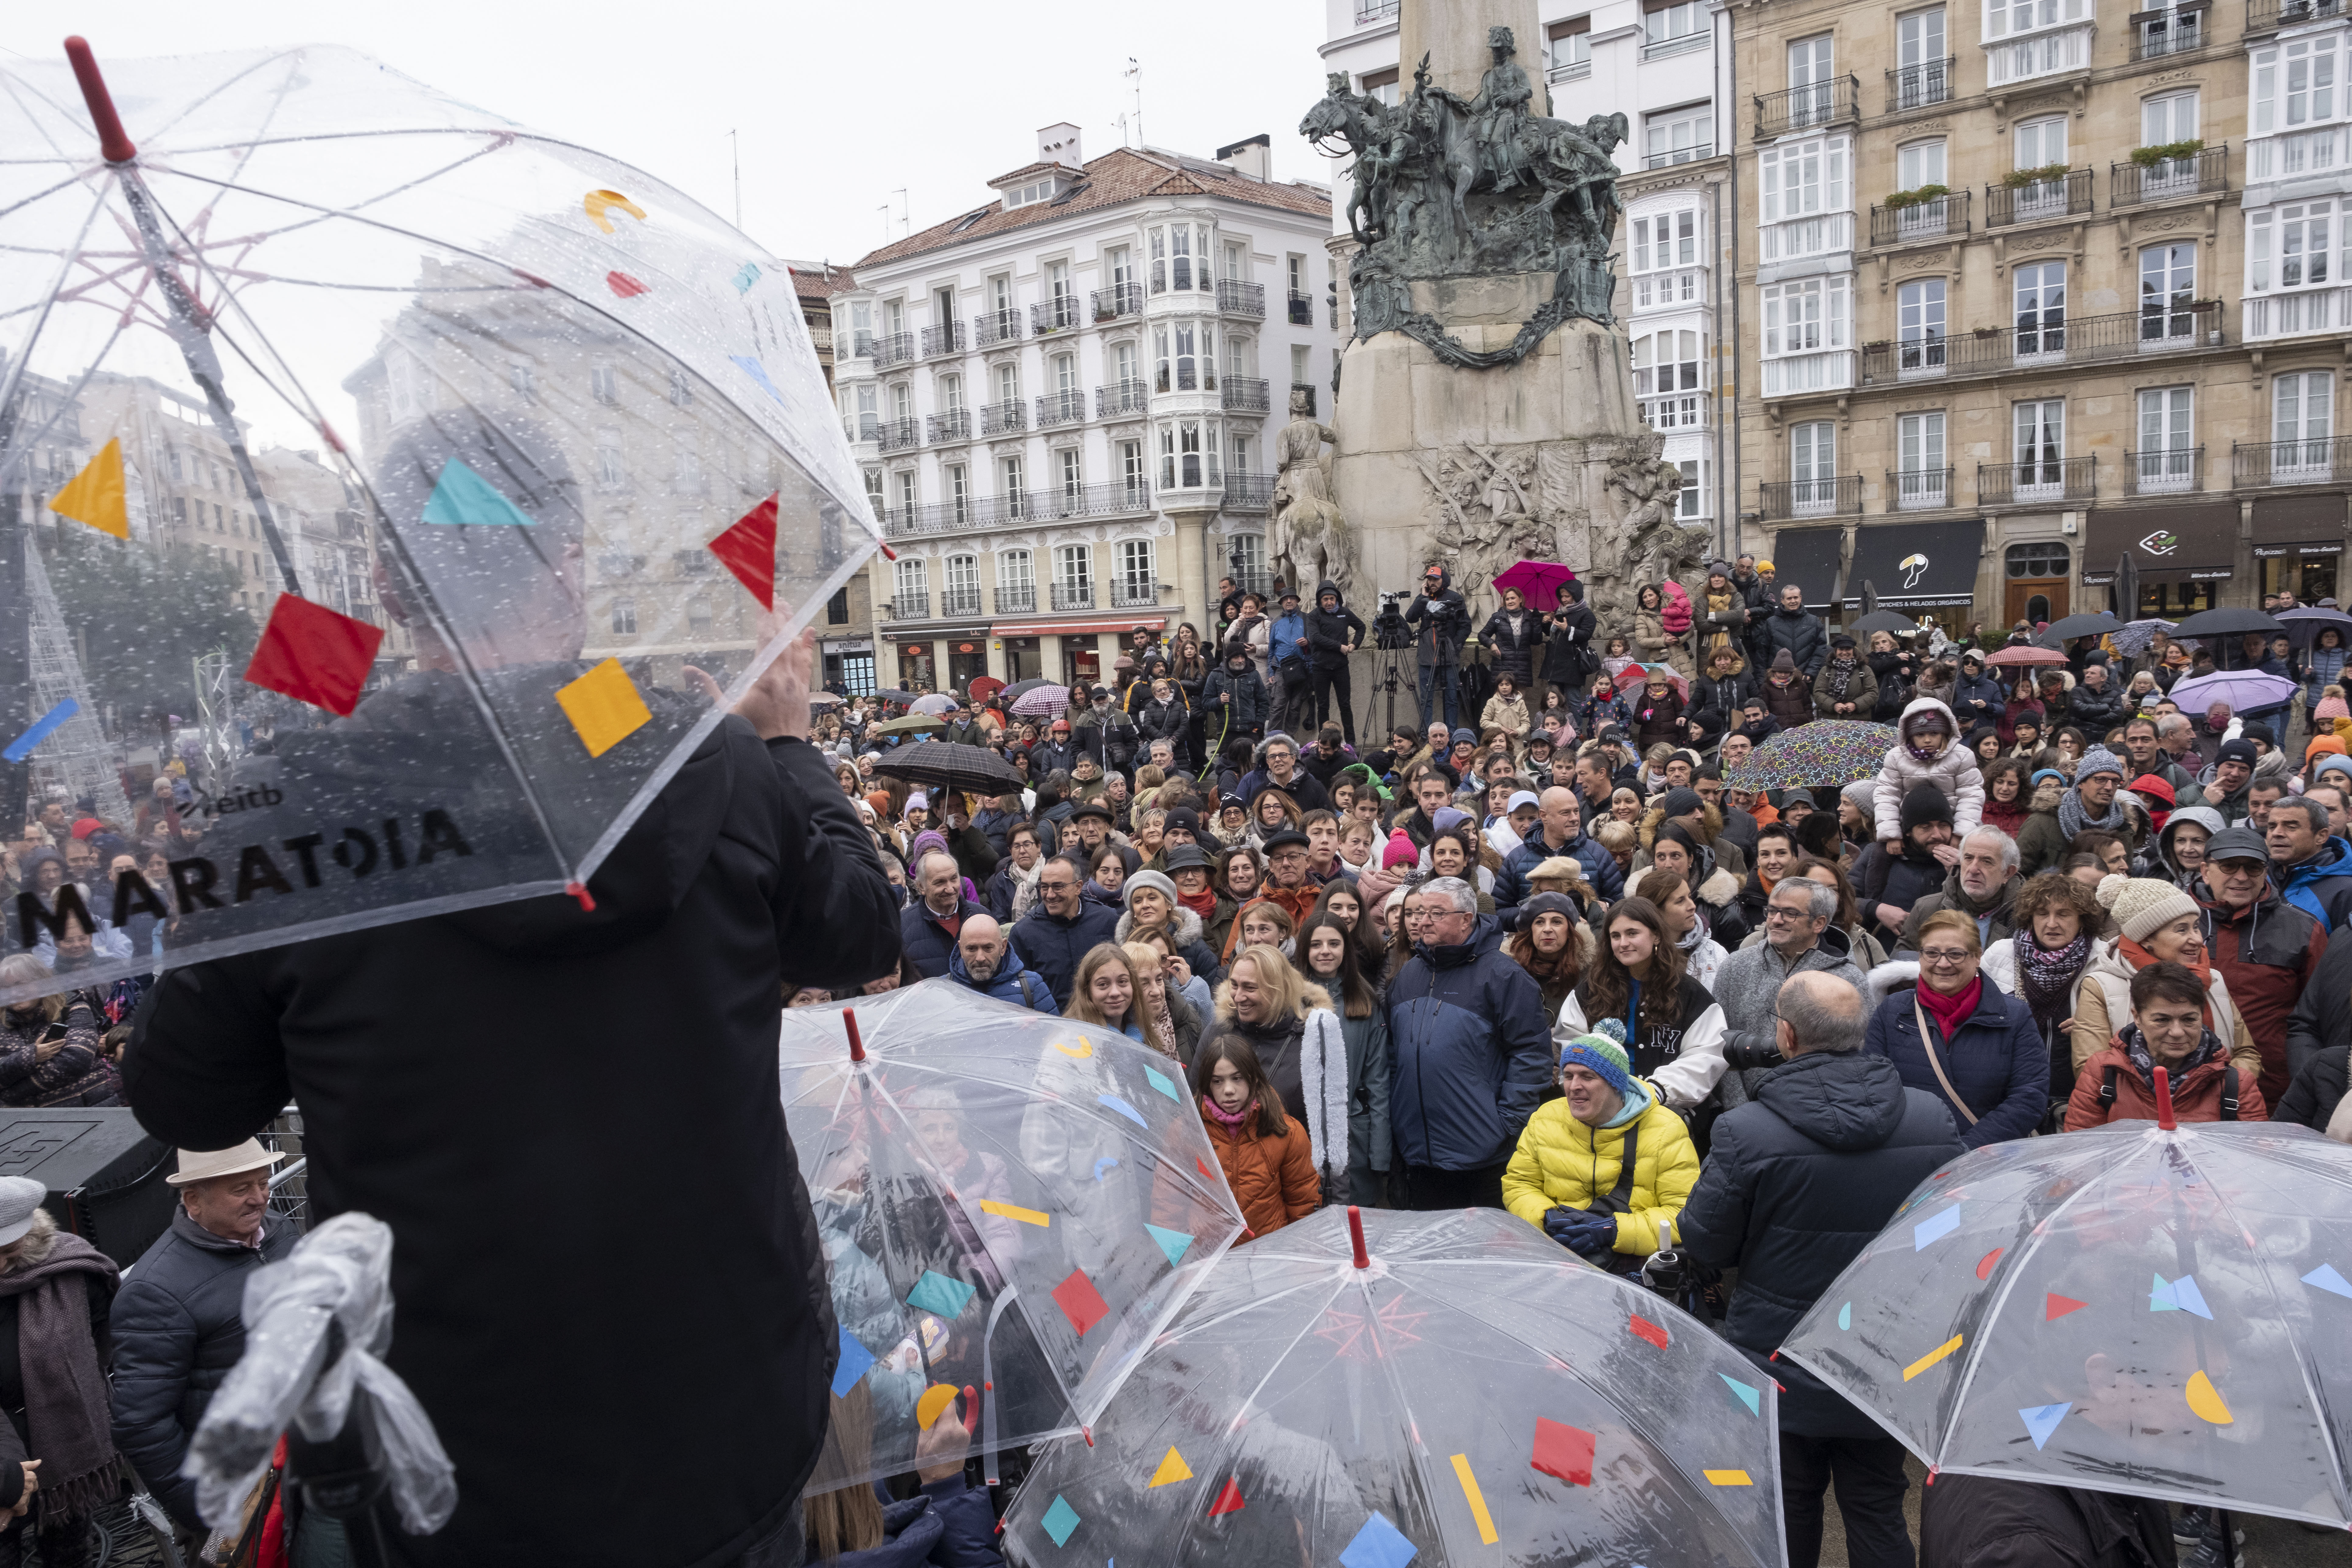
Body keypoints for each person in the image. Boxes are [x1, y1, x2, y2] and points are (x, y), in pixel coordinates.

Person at [1678, 972, 1963, 1568]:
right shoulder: (1931, 1121)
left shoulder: (1745, 1131)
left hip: (1780, 1355)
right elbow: (1954, 1231)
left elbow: (1705, 1239)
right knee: (1878, 1506)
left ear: (1785, 1034)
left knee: (1788, 1507)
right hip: (1886, 1353)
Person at [109, 1139, 295, 1546]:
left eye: (263, 1183)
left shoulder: (280, 1233)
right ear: (193, 1200)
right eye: (241, 1189)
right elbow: (141, 1423)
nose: (259, 1198)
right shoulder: (155, 1292)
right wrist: (205, 1512)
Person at [1384, 877, 1552, 1209]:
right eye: (1419, 912)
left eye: (1436, 912)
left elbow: (1531, 1055)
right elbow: (1392, 1053)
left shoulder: (1504, 976)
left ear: (1466, 919)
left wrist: (1505, 1124)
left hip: (1483, 1157)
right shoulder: (1408, 975)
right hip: (1419, 1154)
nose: (1423, 920)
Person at [1502, 1028, 1699, 1271]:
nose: (1574, 1086)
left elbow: (1685, 1215)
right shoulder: (1546, 1118)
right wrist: (1545, 1217)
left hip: (1630, 1265)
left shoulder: (1665, 1129)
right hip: (1557, 1255)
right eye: (1569, 1076)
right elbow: (1518, 1184)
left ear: (1615, 1084)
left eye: (1587, 1076)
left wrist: (1613, 1231)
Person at [0, 1175, 118, 1568]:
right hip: (4, 1454)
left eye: (6, 1250)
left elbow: (103, 1340)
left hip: (68, 1446)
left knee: (69, 1551)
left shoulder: (72, 1269)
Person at [1862, 910, 2046, 1148]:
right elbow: (1872, 1087)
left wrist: (1967, 1150)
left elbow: (2029, 1097)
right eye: (1932, 953)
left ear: (1977, 957)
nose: (1943, 963)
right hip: (1910, 1154)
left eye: (1956, 954)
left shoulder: (2014, 1016)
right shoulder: (1892, 1011)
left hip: (1985, 1160)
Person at [2070, 875, 2262, 1087]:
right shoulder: (2102, 986)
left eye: (2196, 927)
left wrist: (2224, 1090)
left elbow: (2246, 1053)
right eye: (2182, 930)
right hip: (2139, 1116)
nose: (2198, 939)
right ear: (2146, 939)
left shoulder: (2214, 980)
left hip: (2217, 1113)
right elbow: (2091, 1070)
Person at [1555, 896, 1728, 1116]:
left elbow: (1706, 1055)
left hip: (1667, 1110)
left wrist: (1656, 1090)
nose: (1623, 943)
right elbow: (1571, 1044)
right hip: (1601, 1108)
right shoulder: (1591, 990)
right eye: (1615, 936)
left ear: (1656, 935)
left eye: (1633, 933)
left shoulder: (1688, 993)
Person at [1204, 944, 1350, 1200]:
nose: (1238, 997)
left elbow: (1331, 1133)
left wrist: (1335, 1204)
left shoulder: (1312, 1039)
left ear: (1279, 988)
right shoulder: (1219, 1033)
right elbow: (1197, 1108)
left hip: (1292, 1191)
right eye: (1235, 985)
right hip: (1226, 1190)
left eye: (1250, 988)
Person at [2194, 823, 2324, 1109]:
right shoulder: (2174, 922)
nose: (2241, 877)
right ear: (2205, 870)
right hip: (2186, 1086)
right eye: (2229, 866)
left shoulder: (2303, 929)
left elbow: (2319, 1015)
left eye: (2253, 868)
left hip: (2273, 1089)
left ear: (2266, 871)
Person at [2067, 961, 2267, 1128]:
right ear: (2137, 1017)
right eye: (2162, 1020)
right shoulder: (2103, 1074)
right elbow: (2082, 1153)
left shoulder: (2236, 1083)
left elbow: (2254, 1157)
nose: (2178, 1032)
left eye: (2189, 1020)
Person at [1979, 873, 2102, 1116]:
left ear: (2082, 919)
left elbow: (2128, 1025)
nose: (2052, 923)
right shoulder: (2001, 955)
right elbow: (1974, 1014)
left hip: (2080, 1098)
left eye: (2064, 914)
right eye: (2043, 913)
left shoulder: (2103, 960)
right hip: (2010, 1096)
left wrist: (2096, 1025)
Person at [1297, 914, 1392, 1205]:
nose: (1325, 951)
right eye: (1316, 944)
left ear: (1345, 950)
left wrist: (1380, 1152)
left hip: (1354, 1136)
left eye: (1334, 944)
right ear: (1305, 950)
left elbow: (1378, 1081)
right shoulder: (1290, 1001)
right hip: (1301, 1132)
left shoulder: (1363, 1001)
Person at [1187, 1033, 1319, 1239]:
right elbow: (1169, 1203)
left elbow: (1303, 1205)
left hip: (1267, 1254)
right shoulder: (1187, 1130)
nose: (1228, 1090)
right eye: (1217, 1081)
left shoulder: (1287, 1133)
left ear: (1254, 1079)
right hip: (1208, 1256)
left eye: (1237, 1078)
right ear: (1207, 1084)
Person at [1010, 855, 1125, 1008]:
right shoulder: (1023, 933)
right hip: (1054, 1024)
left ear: (1078, 887)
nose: (1050, 895)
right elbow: (1020, 992)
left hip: (1103, 1021)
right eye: (1045, 887)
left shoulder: (1107, 919)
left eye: (1058, 887)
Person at [1871, 698, 1984, 847]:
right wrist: (1892, 834)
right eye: (1920, 735)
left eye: (1935, 733)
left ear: (1945, 733)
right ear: (1910, 736)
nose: (1928, 740)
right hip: (1910, 827)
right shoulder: (1896, 757)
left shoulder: (1963, 756)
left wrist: (1961, 833)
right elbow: (1887, 796)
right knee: (1878, 856)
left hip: (1951, 825)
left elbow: (1971, 796)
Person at [0, 972, 118, 1110]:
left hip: (86, 1109)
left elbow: (75, 1061)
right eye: (5, 987)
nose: (14, 992)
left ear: (42, 982)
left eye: (21, 984)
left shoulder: (71, 1006)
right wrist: (32, 1056)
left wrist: (11, 1093)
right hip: (25, 1122)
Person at [1896, 827, 2020, 954]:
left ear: (2008, 873)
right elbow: (1900, 960)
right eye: (1968, 858)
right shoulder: (1927, 909)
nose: (1973, 869)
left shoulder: (2026, 918)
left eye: (1986, 861)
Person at [2018, 745, 2130, 877]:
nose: (2109, 787)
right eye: (2101, 780)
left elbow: (2126, 876)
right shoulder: (2043, 822)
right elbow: (2018, 873)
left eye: (2116, 781)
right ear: (2081, 783)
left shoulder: (2122, 827)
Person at [1063, 942, 1169, 1055]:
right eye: (1103, 984)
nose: (1115, 993)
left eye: (1122, 982)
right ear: (1087, 990)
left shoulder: (1143, 1028)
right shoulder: (1072, 1038)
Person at [899, 851, 987, 980]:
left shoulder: (982, 916)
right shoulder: (903, 924)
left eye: (954, 879)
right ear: (921, 887)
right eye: (940, 882)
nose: (950, 889)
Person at [2268, 795, 2352, 930]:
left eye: (2291, 827)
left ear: (2321, 836)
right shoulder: (2257, 878)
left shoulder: (2346, 890)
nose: (2277, 833)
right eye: (2272, 827)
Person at [946, 913, 1058, 1013]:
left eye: (988, 948)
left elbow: (1056, 1033)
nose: (980, 958)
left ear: (1003, 947)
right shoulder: (943, 989)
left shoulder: (1032, 986)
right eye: (971, 949)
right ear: (961, 949)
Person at [1503, 891, 1592, 1014]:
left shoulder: (1590, 973)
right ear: (1531, 931)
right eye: (1540, 922)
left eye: (1557, 922)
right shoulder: (1507, 972)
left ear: (1569, 931)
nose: (1547, 929)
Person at [1406, 565, 1471, 731]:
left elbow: (1465, 626)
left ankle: (1451, 735)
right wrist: (1422, 597)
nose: (1432, 582)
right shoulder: (1424, 598)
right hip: (1427, 657)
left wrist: (1456, 646)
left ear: (1444, 581)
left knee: (1451, 699)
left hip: (1449, 657)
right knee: (1426, 699)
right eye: (1430, 579)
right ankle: (1426, 735)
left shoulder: (1455, 598)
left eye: (1436, 579)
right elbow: (1411, 618)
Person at [1758, 582, 1828, 679]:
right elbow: (1762, 654)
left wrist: (1811, 672)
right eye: (1789, 598)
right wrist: (1767, 676)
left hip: (1806, 679)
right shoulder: (1771, 623)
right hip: (1779, 679)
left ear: (1801, 598)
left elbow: (1821, 650)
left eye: (1796, 598)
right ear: (1782, 601)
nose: (1793, 601)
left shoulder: (1814, 622)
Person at [1813, 633, 1877, 720]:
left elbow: (1873, 692)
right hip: (1832, 721)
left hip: (1859, 721)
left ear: (1853, 651)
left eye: (1848, 649)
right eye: (1841, 649)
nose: (1844, 653)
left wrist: (1856, 705)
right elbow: (1818, 693)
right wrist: (1834, 705)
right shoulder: (1826, 670)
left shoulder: (1865, 670)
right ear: (1836, 652)